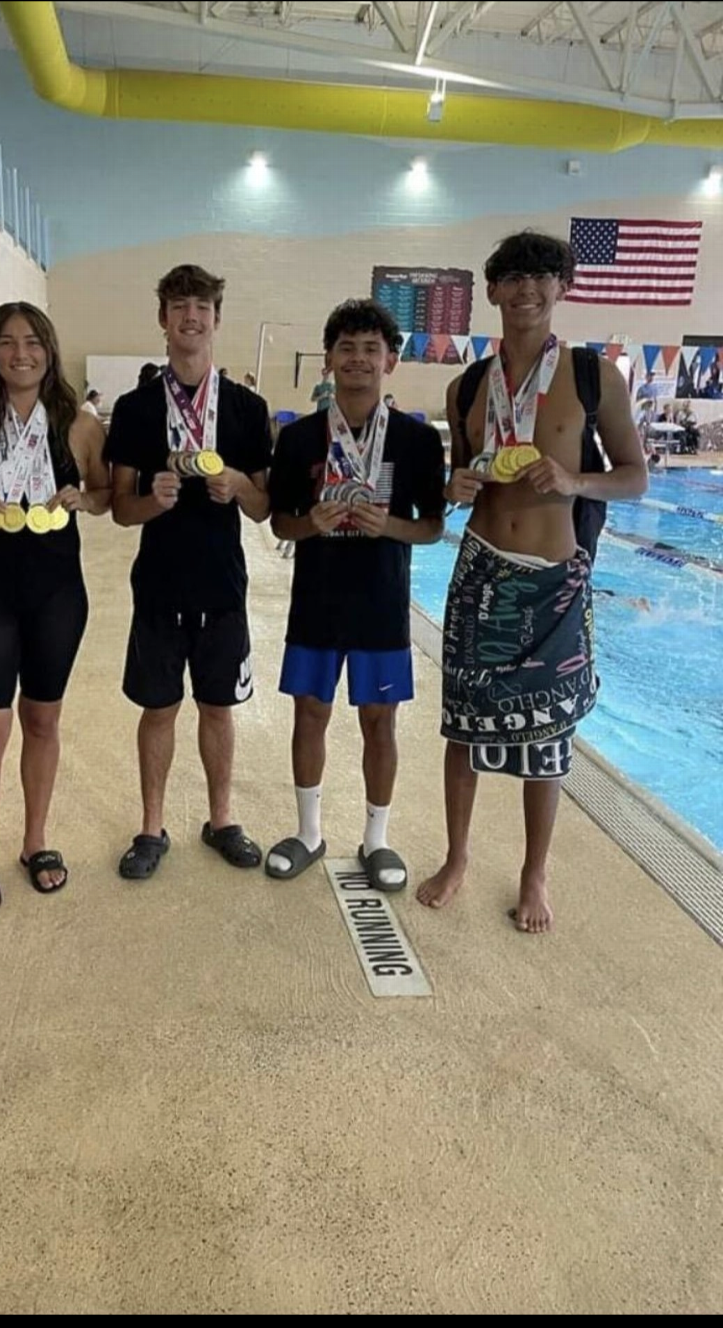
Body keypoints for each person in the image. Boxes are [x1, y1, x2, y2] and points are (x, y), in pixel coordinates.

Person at [416, 230, 647, 934]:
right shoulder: (466, 387)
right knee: (464, 729)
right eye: (513, 278)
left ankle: (533, 871)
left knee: (546, 740)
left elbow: (635, 474)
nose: (527, 290)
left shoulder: (590, 375)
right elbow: (457, 479)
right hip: (481, 573)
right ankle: (457, 856)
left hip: (553, 583)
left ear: (561, 289)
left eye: (542, 277)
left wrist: (576, 479)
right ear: (492, 290)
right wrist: (452, 486)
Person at [0, 302, 110, 910]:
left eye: (31, 342)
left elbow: (107, 492)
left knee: (42, 721)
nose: (20, 353)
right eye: (6, 343)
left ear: (49, 349)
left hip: (58, 592)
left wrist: (84, 500)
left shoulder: (81, 425)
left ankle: (36, 840)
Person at [265, 300, 445, 888]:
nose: (359, 359)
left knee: (379, 722)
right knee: (310, 713)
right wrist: (310, 524)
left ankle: (376, 839)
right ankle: (310, 833)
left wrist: (388, 526)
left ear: (390, 360)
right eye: (347, 348)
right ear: (328, 360)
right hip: (316, 601)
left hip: (381, 604)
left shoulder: (417, 440)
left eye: (371, 349)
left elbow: (433, 526)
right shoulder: (297, 439)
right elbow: (279, 523)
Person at [106, 263, 272, 880]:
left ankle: (221, 819)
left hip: (223, 585)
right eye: (178, 306)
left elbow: (267, 509)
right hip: (158, 584)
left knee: (218, 708)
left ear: (216, 319)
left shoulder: (248, 410)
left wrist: (236, 487)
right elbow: (121, 509)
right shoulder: (136, 408)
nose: (190, 317)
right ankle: (151, 827)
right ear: (163, 319)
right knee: (158, 709)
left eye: (201, 306)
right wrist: (155, 501)